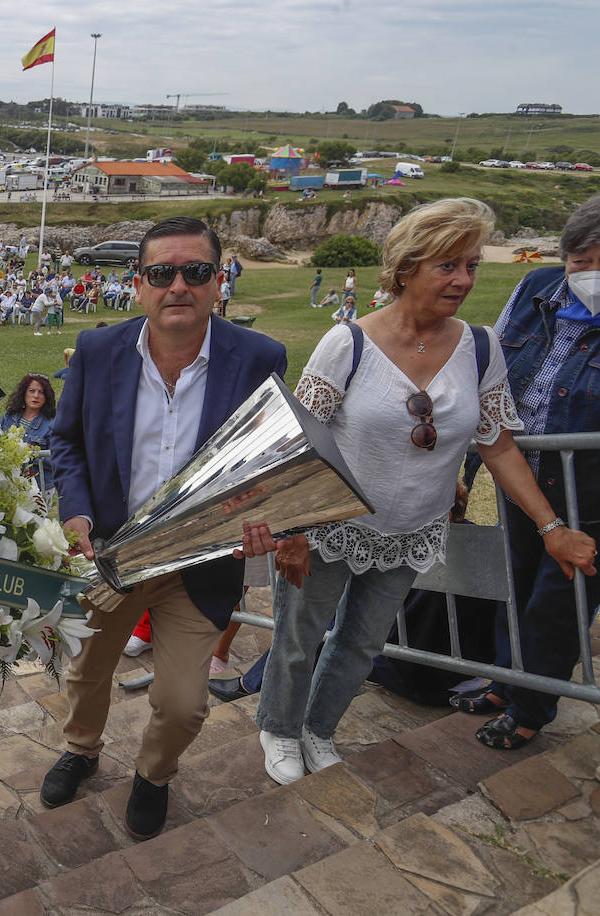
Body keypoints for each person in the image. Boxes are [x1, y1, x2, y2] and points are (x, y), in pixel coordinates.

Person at [253, 198, 596, 785]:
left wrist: (552, 528)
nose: (463, 280)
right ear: (406, 268)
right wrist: (291, 531)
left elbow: (499, 445)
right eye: (447, 266)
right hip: (329, 526)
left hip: (412, 531)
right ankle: (279, 729)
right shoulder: (348, 343)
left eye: (471, 266)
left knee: (361, 647)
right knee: (297, 639)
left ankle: (318, 729)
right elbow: (297, 444)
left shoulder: (481, 346)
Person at [41, 217, 289, 841]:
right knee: (86, 671)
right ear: (138, 285)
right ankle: (82, 748)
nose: (178, 284)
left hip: (201, 564)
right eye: (162, 273)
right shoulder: (98, 352)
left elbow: (268, 458)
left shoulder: (259, 357)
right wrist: (75, 512)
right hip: (113, 555)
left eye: (196, 271)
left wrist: (265, 522)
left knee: (182, 704)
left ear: (218, 283)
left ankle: (153, 777)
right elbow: (66, 443)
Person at [450, 193, 600, 750]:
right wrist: (462, 468)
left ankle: (532, 707)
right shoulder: (538, 288)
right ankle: (504, 681)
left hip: (587, 497)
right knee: (511, 588)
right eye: (581, 261)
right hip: (522, 481)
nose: (590, 273)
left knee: (555, 607)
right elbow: (485, 377)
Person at [0, 373, 57, 489]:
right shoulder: (8, 417)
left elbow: (57, 458)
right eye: (31, 391)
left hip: (40, 486)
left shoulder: (52, 424)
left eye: (41, 392)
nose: (36, 396)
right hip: (10, 483)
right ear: (24, 393)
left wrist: (34, 453)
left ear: (47, 397)